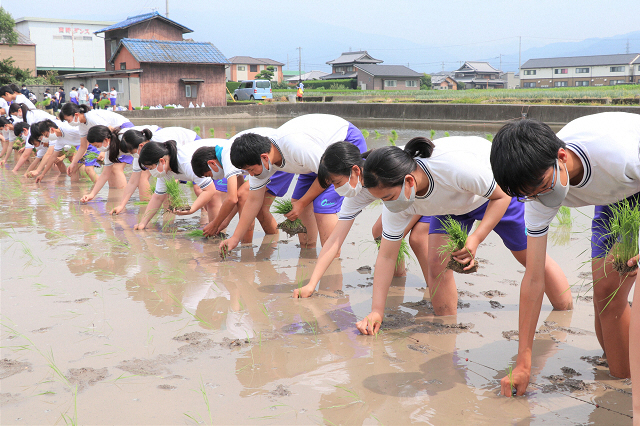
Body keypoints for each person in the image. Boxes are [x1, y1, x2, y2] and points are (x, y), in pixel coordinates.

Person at [488, 112, 640, 398]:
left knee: (610, 289)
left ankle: (625, 387)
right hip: (612, 197)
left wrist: (635, 241)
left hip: (633, 180)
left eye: (544, 187)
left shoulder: (617, 153)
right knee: (603, 295)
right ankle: (620, 374)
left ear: (561, 155)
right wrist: (523, 361)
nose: (540, 199)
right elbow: (534, 278)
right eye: (528, 195)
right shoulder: (535, 195)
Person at [355, 137, 572, 336]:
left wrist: (476, 238)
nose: (388, 204)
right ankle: (447, 327)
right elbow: (386, 256)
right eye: (382, 200)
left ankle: (565, 313)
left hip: (494, 196)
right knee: (436, 263)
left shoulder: (454, 169)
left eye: (389, 197)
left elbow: (502, 195)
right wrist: (376, 311)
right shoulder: (397, 202)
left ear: (410, 181)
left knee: (529, 256)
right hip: (450, 207)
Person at [293, 141, 429, 298]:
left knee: (417, 238)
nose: (337, 189)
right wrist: (311, 284)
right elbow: (334, 240)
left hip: (425, 193)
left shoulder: (385, 172)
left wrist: (398, 232)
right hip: (408, 198)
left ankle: (433, 288)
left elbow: (421, 198)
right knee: (381, 231)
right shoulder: (358, 191)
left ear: (355, 170)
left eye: (337, 182)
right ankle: (399, 277)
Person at [219, 114, 366, 255]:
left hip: (343, 144)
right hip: (315, 161)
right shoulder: (263, 164)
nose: (250, 175)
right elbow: (253, 201)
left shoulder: (296, 147)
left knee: (322, 206)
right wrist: (235, 238)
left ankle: (332, 261)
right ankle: (308, 255)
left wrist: (302, 203)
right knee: (297, 203)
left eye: (250, 170)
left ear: (264, 157)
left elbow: (328, 174)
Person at [190, 128, 295, 242]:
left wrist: (216, 224)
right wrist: (225, 221)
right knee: (261, 210)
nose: (213, 178)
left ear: (211, 163)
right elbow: (238, 197)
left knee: (245, 196)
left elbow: (233, 198)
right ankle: (273, 242)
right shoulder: (232, 156)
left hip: (273, 160)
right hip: (268, 162)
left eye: (209, 175)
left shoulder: (228, 156)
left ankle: (246, 246)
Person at [134, 140, 219, 231]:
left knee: (214, 199)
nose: (151, 171)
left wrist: (192, 209)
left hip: (220, 160)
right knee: (211, 202)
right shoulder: (164, 171)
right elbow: (157, 198)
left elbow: (210, 190)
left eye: (151, 168)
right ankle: (214, 232)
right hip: (211, 166)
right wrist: (143, 223)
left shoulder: (185, 163)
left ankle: (216, 234)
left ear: (161, 161)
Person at [58, 102, 133, 177]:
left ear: (76, 115)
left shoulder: (91, 118)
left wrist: (103, 152)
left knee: (116, 169)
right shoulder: (82, 125)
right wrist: (73, 164)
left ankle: (123, 189)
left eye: (68, 120)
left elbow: (110, 130)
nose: (69, 123)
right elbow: (83, 146)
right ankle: (114, 189)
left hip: (122, 131)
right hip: (112, 137)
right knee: (109, 170)